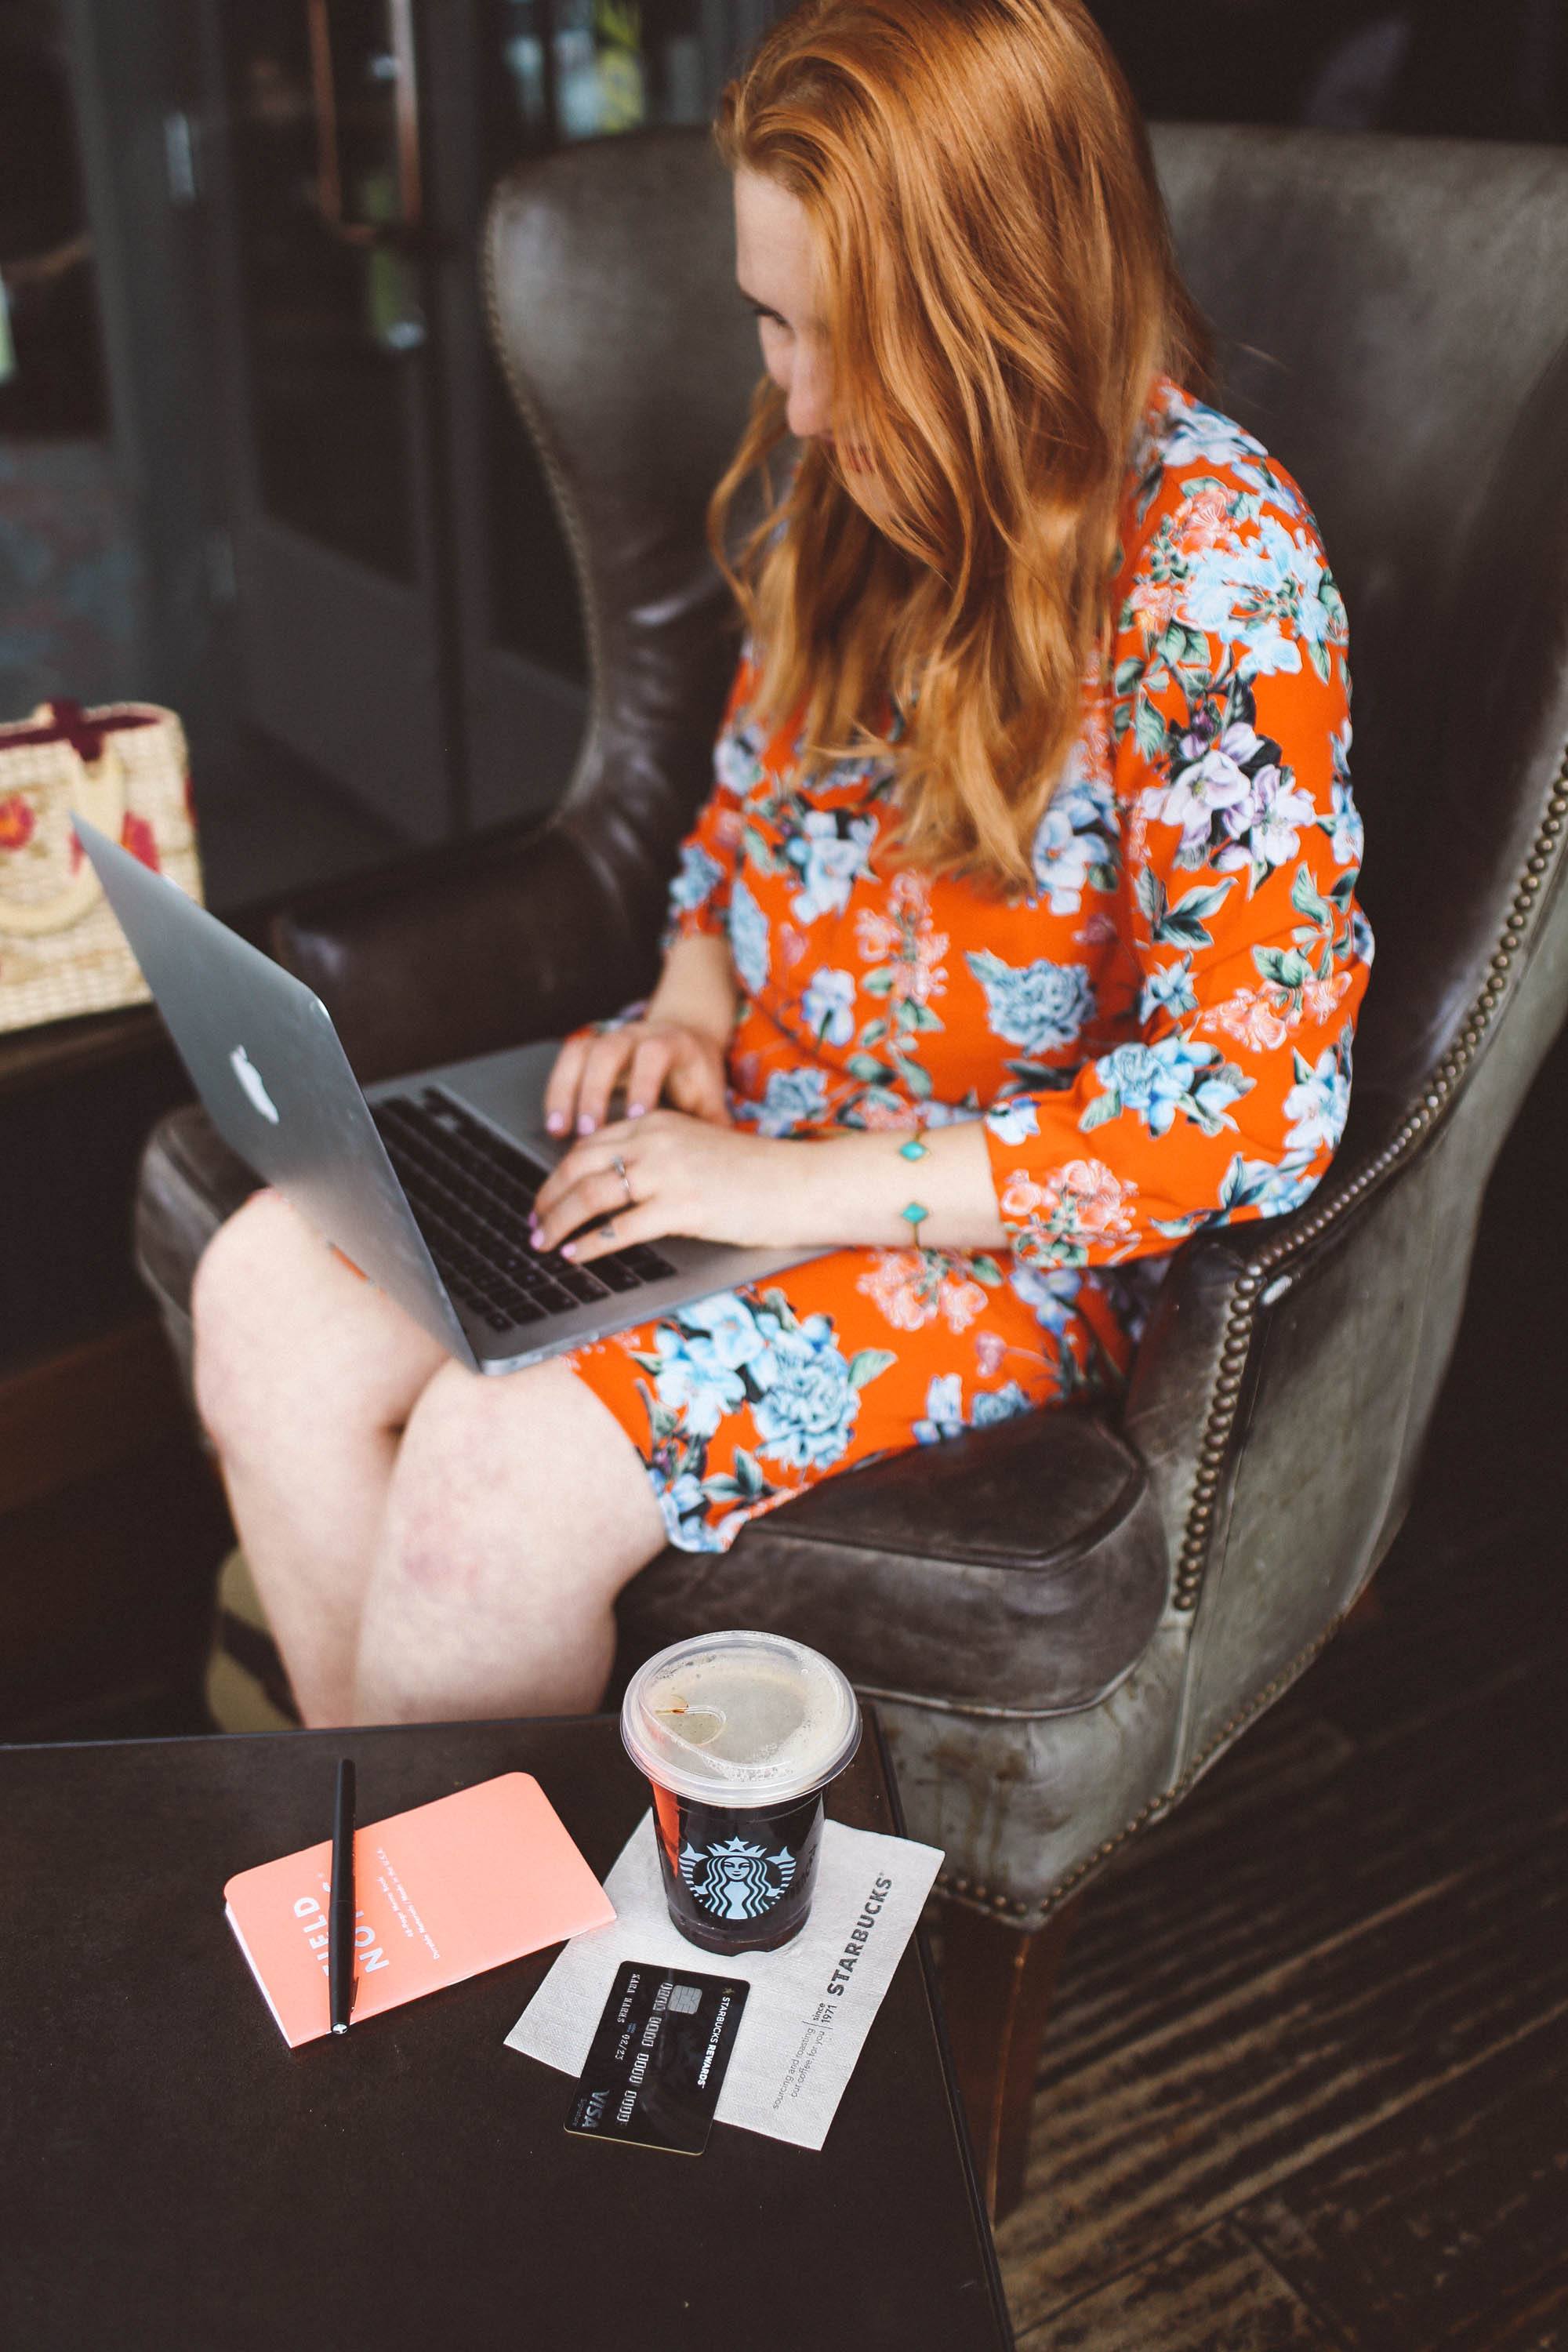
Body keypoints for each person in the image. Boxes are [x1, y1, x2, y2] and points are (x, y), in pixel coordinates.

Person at [192, 0, 1373, 1730]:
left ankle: (413, 1973)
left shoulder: (1214, 572)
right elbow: (747, 823)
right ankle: (382, 1899)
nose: (805, 404)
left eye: (854, 342)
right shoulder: (850, 482)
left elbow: (1249, 1107)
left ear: (1008, 307)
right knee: (264, 1292)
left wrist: (773, 1189)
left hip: (991, 1243)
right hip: (733, 1133)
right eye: (771, 324)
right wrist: (685, 1004)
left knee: (488, 1475)